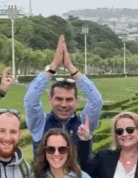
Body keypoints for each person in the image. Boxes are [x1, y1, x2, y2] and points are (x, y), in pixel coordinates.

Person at [23, 34, 103, 165]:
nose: (64, 104)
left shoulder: (84, 123)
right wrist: (53, 66)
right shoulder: (39, 123)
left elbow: (96, 100)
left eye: (69, 99)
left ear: (77, 101)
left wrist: (71, 67)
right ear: (50, 98)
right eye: (59, 99)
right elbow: (30, 98)